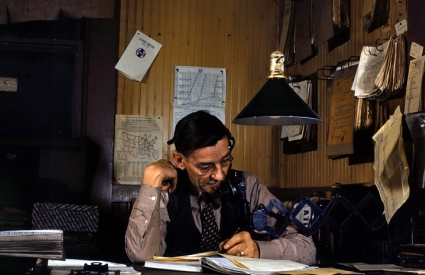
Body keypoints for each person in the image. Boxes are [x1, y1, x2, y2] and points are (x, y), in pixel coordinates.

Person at [125, 110, 317, 265]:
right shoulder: (166, 191)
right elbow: (141, 255)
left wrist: (260, 250)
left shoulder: (247, 186)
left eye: (225, 161)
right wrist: (151, 180)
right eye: (205, 166)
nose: (219, 174)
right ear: (180, 161)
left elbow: (307, 250)